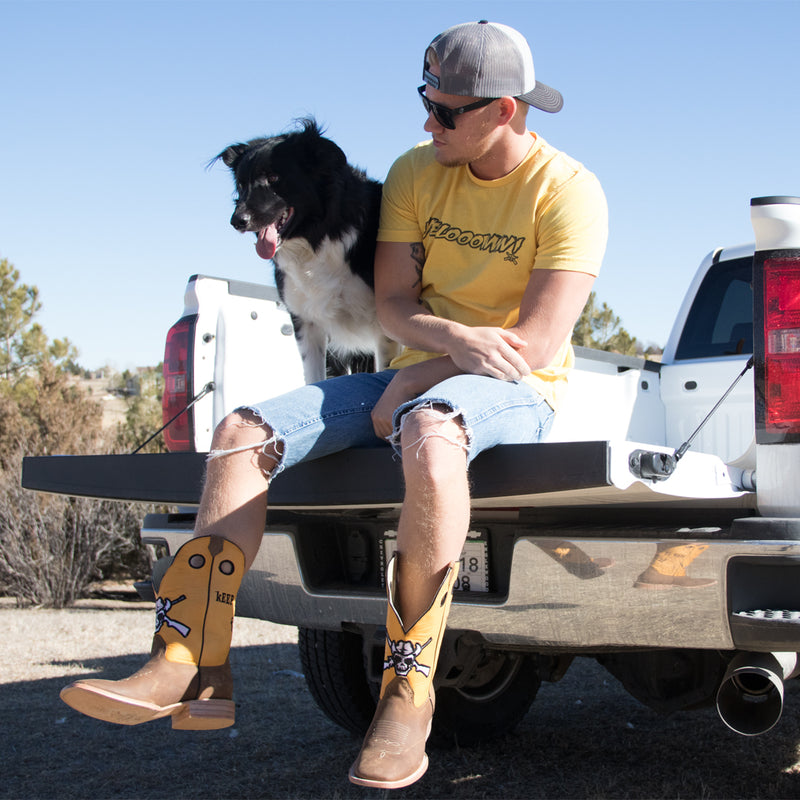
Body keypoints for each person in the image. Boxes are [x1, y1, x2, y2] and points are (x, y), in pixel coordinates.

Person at [60, 20, 608, 790]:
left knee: (429, 430)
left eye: (446, 112)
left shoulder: (569, 191)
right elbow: (391, 307)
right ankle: (189, 657)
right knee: (241, 431)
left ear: (502, 113)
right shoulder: (416, 173)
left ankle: (407, 696)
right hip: (410, 373)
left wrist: (416, 381)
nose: (428, 122)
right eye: (425, 101)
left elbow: (537, 346)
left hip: (516, 391)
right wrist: (431, 354)